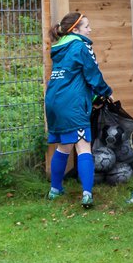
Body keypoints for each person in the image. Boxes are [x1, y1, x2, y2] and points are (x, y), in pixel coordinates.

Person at [45, 12, 112, 209]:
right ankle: (87, 194)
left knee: (64, 146)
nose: (90, 30)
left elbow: (72, 76)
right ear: (75, 30)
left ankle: (55, 190)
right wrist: (106, 92)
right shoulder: (81, 46)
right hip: (71, 103)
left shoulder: (59, 47)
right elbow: (92, 74)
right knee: (83, 146)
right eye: (87, 26)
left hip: (53, 101)